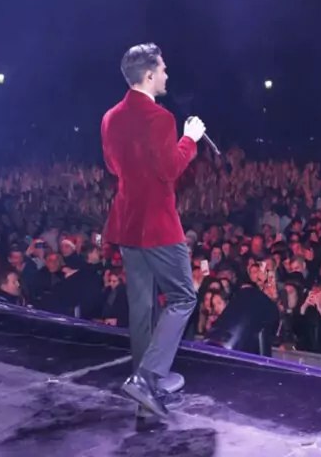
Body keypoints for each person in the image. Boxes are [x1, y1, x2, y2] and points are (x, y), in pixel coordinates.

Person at [101, 43, 207, 418]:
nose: (166, 74)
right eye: (162, 69)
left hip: (128, 222)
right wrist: (189, 138)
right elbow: (170, 169)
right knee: (183, 298)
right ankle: (146, 378)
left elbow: (113, 167)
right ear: (148, 75)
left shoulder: (110, 117)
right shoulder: (161, 119)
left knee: (142, 308)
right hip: (158, 224)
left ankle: (143, 388)